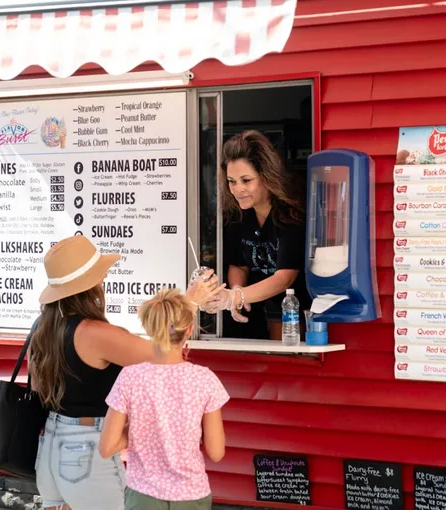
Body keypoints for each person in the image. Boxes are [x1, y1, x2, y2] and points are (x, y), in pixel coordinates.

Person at [30, 235, 223, 510]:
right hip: (87, 450)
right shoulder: (93, 332)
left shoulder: (42, 327)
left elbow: (38, 386)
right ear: (92, 285)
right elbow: (166, 353)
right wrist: (188, 303)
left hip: (49, 445)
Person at [99, 288, 229, 510]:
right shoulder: (204, 379)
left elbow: (107, 447)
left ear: (150, 329)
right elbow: (216, 452)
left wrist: (140, 429)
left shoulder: (130, 377)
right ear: (189, 330)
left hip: (143, 495)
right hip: (192, 495)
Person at [205, 130, 311, 341]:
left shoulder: (290, 213)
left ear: (266, 177)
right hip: (255, 311)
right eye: (232, 181)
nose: (238, 189)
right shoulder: (237, 215)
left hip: (296, 309)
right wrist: (236, 292)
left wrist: (235, 296)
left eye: (246, 180)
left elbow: (284, 278)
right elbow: (238, 265)